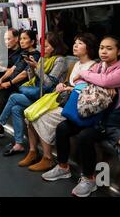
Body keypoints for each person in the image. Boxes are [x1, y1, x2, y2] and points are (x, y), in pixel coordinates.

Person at [42, 36, 120, 197]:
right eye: (101, 47)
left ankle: (89, 178)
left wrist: (96, 80)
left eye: (109, 48)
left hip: (113, 118)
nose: (103, 51)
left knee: (86, 136)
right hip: (94, 112)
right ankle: (63, 167)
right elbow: (79, 81)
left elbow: (103, 80)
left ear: (119, 51)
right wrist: (100, 82)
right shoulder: (100, 66)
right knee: (63, 128)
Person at [0, 32, 68, 158]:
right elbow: (34, 79)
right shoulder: (44, 59)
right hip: (39, 93)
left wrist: (37, 67)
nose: (43, 49)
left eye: (47, 47)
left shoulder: (59, 60)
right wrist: (32, 68)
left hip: (50, 97)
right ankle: (19, 144)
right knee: (16, 108)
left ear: (55, 47)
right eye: (42, 46)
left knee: (13, 97)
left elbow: (50, 84)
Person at [21, 33, 97, 171]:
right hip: (66, 99)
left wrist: (68, 87)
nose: (75, 45)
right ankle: (33, 152)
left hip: (77, 105)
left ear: (89, 48)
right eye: (75, 42)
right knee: (29, 115)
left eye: (80, 43)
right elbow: (68, 82)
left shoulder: (93, 67)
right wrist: (63, 85)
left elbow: (87, 89)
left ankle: (48, 158)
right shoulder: (76, 64)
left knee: (40, 116)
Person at [0, 30, 40, 128]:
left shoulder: (35, 55)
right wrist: (1, 80)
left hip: (21, 83)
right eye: (21, 39)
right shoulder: (23, 53)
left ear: (32, 42)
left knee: (0, 89)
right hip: (12, 80)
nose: (21, 41)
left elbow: (24, 74)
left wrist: (9, 83)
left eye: (25, 39)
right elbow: (12, 69)